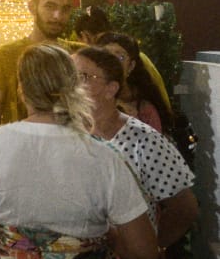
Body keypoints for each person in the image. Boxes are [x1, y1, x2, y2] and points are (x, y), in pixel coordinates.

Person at [0, 44, 157, 259]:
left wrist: (7, 236)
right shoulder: (103, 155)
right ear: (73, 89)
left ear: (22, 89)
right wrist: (104, 238)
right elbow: (144, 250)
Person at [74, 47, 198, 251]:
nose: (71, 84)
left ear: (110, 89)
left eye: (83, 76)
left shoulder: (143, 140)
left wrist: (151, 247)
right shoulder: (67, 133)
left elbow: (184, 209)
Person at [0, 0, 75, 129]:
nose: (57, 16)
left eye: (65, 9)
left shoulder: (77, 54)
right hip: (19, 146)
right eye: (50, 7)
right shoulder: (6, 55)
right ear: (32, 7)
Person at [98, 32, 172, 134]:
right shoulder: (88, 98)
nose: (112, 62)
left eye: (120, 58)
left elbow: (151, 146)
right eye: (105, 56)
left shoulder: (145, 112)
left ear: (131, 66)